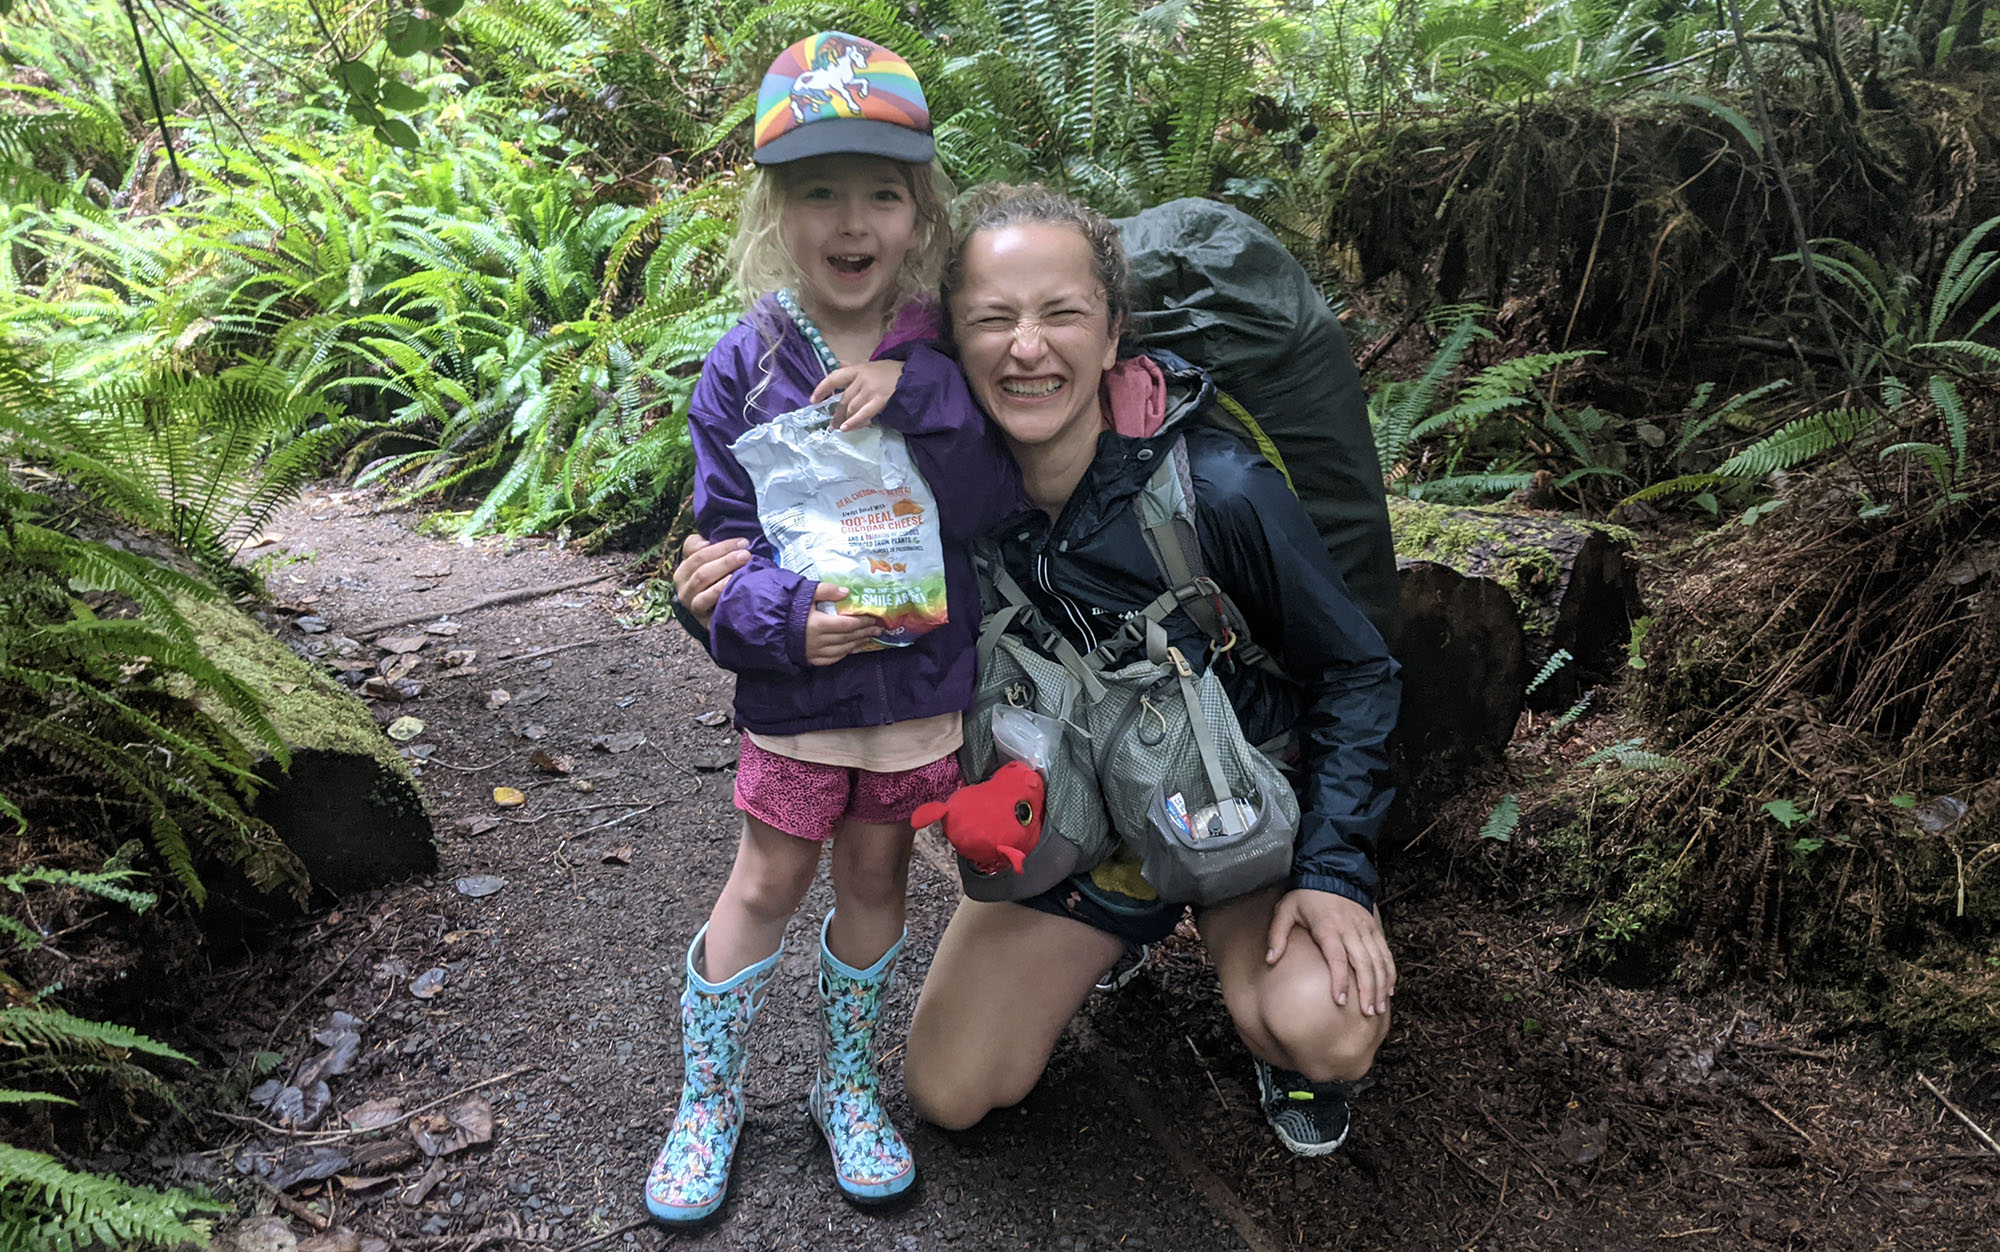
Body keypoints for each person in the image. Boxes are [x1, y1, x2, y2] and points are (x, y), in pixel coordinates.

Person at [674, 185, 1399, 1159]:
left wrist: (1335, 872)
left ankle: (1263, 1016)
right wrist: (715, 604)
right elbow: (825, 608)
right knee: (949, 1088)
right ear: (948, 346)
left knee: (1323, 1022)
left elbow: (1355, 669)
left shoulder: (1211, 487)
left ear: (1110, 336)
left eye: (1061, 313)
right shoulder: (930, 494)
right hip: (1085, 830)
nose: (1026, 346)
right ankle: (1123, 934)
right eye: (991, 319)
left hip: (1225, 809)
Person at [642, 32, 1020, 1225]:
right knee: (769, 873)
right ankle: (709, 1096)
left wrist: (917, 397)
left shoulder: (943, 350)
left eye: (879, 192)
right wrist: (783, 622)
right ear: (775, 210)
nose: (849, 221)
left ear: (919, 211)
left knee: (875, 872)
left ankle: (844, 1082)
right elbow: (716, 554)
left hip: (917, 703)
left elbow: (990, 506)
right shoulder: (743, 367)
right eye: (818, 192)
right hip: (802, 704)